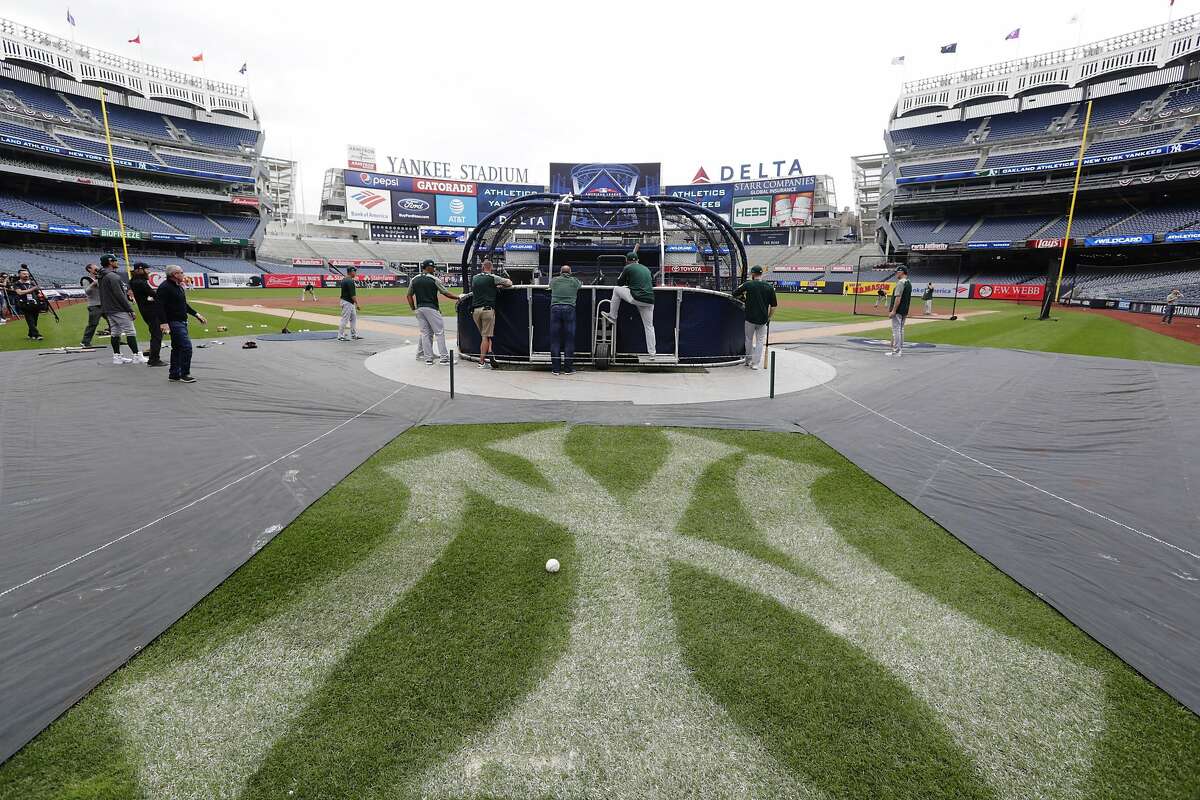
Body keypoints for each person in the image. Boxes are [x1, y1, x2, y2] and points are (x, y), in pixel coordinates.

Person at [156, 265, 206, 383]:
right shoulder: (165, 287)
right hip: (174, 322)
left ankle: (174, 374)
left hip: (181, 321)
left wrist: (196, 314)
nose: (184, 275)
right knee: (186, 347)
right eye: (181, 272)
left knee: (177, 348)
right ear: (174, 274)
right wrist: (164, 323)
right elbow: (159, 306)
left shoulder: (178, 287)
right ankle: (184, 374)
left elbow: (184, 305)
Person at [602, 252, 656, 356]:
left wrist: (623, 274)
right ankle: (652, 353)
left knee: (616, 290)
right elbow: (653, 284)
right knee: (649, 327)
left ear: (627, 261)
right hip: (650, 299)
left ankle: (612, 316)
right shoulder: (646, 268)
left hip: (636, 297)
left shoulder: (627, 268)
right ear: (638, 260)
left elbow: (619, 283)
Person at [407, 259, 458, 365]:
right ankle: (444, 358)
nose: (434, 268)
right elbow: (446, 293)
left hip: (420, 309)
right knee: (439, 333)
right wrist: (458, 297)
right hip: (431, 308)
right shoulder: (434, 279)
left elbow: (409, 295)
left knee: (425, 334)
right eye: (432, 267)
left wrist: (413, 308)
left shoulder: (414, 279)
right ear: (427, 267)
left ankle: (428, 358)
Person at [97, 254, 143, 364]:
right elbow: (120, 295)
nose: (116, 262)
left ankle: (117, 356)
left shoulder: (102, 276)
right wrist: (129, 309)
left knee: (115, 332)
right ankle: (136, 355)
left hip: (108, 308)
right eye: (114, 260)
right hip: (118, 308)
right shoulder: (113, 276)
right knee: (130, 331)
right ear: (110, 262)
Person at [732, 265, 777, 370]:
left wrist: (743, 298)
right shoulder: (769, 287)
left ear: (753, 274)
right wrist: (769, 317)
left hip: (750, 318)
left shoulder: (748, 284)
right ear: (761, 274)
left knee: (748, 340)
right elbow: (774, 306)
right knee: (760, 341)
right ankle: (756, 364)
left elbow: (735, 294)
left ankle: (748, 361)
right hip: (762, 319)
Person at [470, 259, 512, 368]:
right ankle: (482, 362)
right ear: (491, 268)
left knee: (486, 336)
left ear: (482, 267)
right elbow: (509, 283)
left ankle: (490, 353)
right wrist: (497, 286)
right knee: (485, 337)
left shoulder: (475, 278)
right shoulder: (493, 278)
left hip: (475, 311)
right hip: (487, 310)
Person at [129, 262, 166, 366]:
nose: (148, 272)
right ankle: (154, 359)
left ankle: (152, 353)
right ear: (139, 270)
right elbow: (154, 295)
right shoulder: (140, 282)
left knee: (156, 333)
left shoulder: (135, 280)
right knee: (157, 334)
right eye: (146, 269)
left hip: (146, 310)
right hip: (150, 310)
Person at [549, 264, 582, 375]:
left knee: (555, 339)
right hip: (569, 308)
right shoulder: (574, 281)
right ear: (570, 272)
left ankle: (555, 369)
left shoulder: (554, 280)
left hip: (555, 308)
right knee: (569, 339)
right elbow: (580, 285)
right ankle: (568, 369)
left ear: (560, 272)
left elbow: (550, 285)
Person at [9, 266, 44, 340]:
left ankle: (30, 334)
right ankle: (37, 334)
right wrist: (33, 288)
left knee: (35, 320)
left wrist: (41, 295)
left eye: (27, 274)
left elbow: (37, 292)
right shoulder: (16, 284)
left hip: (35, 303)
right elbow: (20, 292)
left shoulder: (32, 283)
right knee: (30, 319)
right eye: (24, 274)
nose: (26, 275)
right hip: (24, 304)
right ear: (20, 275)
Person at [887, 266, 913, 358]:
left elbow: (898, 298)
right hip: (904, 310)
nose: (896, 273)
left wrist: (893, 310)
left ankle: (896, 351)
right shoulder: (908, 282)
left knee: (896, 330)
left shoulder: (900, 283)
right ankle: (899, 350)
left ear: (902, 272)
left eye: (897, 272)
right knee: (901, 329)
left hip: (898, 310)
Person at [79, 263, 106, 347]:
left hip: (105, 304)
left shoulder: (101, 277)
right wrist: (93, 284)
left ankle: (116, 340)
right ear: (89, 269)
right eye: (95, 267)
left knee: (113, 323)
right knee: (93, 324)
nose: (97, 268)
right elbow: (87, 292)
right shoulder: (86, 279)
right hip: (94, 305)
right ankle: (85, 342)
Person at [337, 267, 363, 341]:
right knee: (345, 319)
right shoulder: (349, 281)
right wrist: (357, 304)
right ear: (351, 272)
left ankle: (354, 335)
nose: (355, 273)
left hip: (348, 302)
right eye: (354, 272)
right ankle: (340, 336)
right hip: (347, 302)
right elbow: (353, 295)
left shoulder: (345, 280)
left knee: (353, 318)